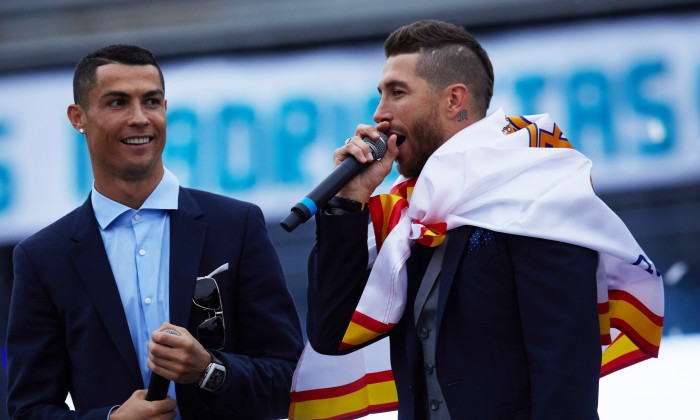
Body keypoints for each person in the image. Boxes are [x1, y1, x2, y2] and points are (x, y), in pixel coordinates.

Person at [301, 20, 663, 419]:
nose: (380, 113)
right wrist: (347, 204)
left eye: (397, 93)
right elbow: (331, 334)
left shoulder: (538, 194)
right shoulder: (413, 214)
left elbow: (563, 369)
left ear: (455, 100)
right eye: (381, 94)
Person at [6, 44, 303, 420]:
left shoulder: (236, 225)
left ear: (165, 109)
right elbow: (28, 411)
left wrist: (209, 370)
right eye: (117, 103)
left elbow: (291, 381)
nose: (139, 118)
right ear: (78, 117)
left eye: (151, 101)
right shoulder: (42, 258)